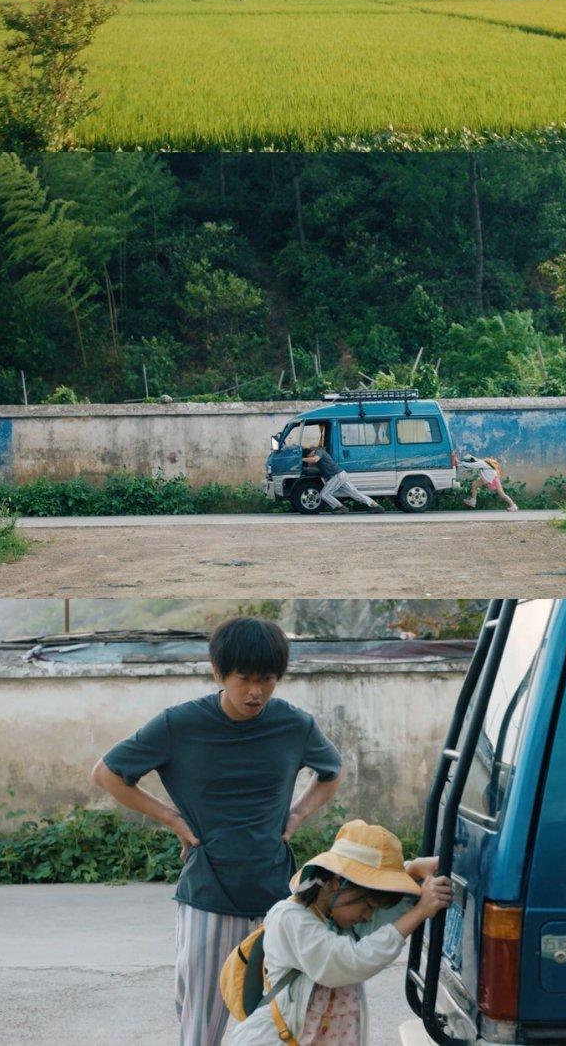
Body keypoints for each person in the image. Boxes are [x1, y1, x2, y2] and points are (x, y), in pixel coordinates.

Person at [92, 615, 343, 1046]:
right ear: (217, 672)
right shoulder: (179, 725)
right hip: (209, 894)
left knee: (279, 1022)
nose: (256, 692)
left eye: (267, 679)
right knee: (201, 1027)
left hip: (277, 897)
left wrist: (298, 815)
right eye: (244, 678)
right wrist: (172, 819)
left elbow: (331, 772)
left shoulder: (294, 725)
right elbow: (108, 774)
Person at [224, 820, 452, 1045]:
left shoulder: (336, 919)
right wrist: (421, 911)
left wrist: (411, 871)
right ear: (337, 881)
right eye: (369, 906)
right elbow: (347, 960)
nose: (368, 917)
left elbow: (390, 918)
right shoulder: (290, 919)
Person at [302, 443, 385, 513]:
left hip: (337, 476)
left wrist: (302, 459)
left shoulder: (319, 451)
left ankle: (340, 507)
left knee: (324, 494)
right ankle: (376, 506)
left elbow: (314, 459)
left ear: (309, 454)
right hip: (341, 474)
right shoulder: (320, 456)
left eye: (308, 457)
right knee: (355, 494)